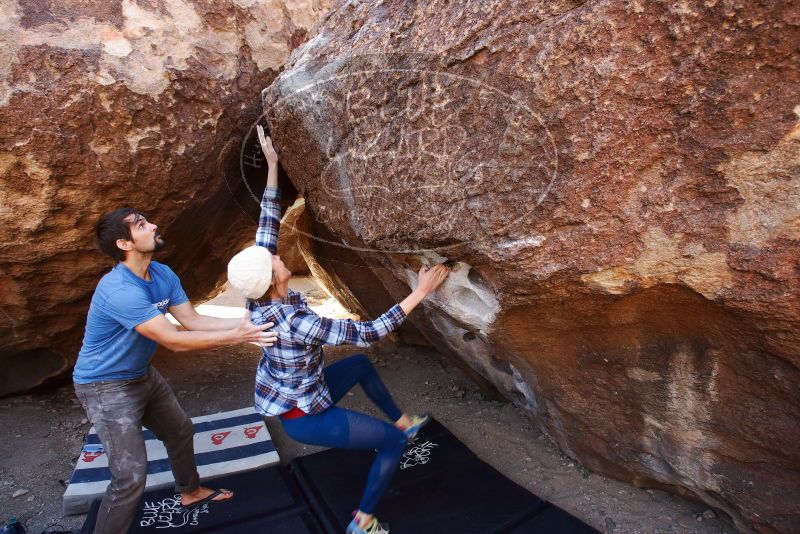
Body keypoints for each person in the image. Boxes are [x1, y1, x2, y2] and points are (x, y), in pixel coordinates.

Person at [226, 126, 450, 534]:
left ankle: (402, 420)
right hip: (305, 416)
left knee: (361, 366)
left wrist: (273, 167)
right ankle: (362, 522)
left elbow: (267, 222)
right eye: (273, 259)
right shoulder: (296, 322)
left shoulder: (257, 294)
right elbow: (369, 331)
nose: (275, 255)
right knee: (391, 446)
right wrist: (421, 292)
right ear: (275, 278)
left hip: (301, 389)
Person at [73, 200, 278, 534]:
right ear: (124, 244)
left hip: (141, 375)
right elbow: (174, 339)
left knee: (180, 430)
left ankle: (190, 491)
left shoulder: (162, 274)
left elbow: (192, 319)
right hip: (104, 386)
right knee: (129, 477)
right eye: (141, 225)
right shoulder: (119, 290)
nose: (153, 226)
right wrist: (237, 338)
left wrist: (245, 323)